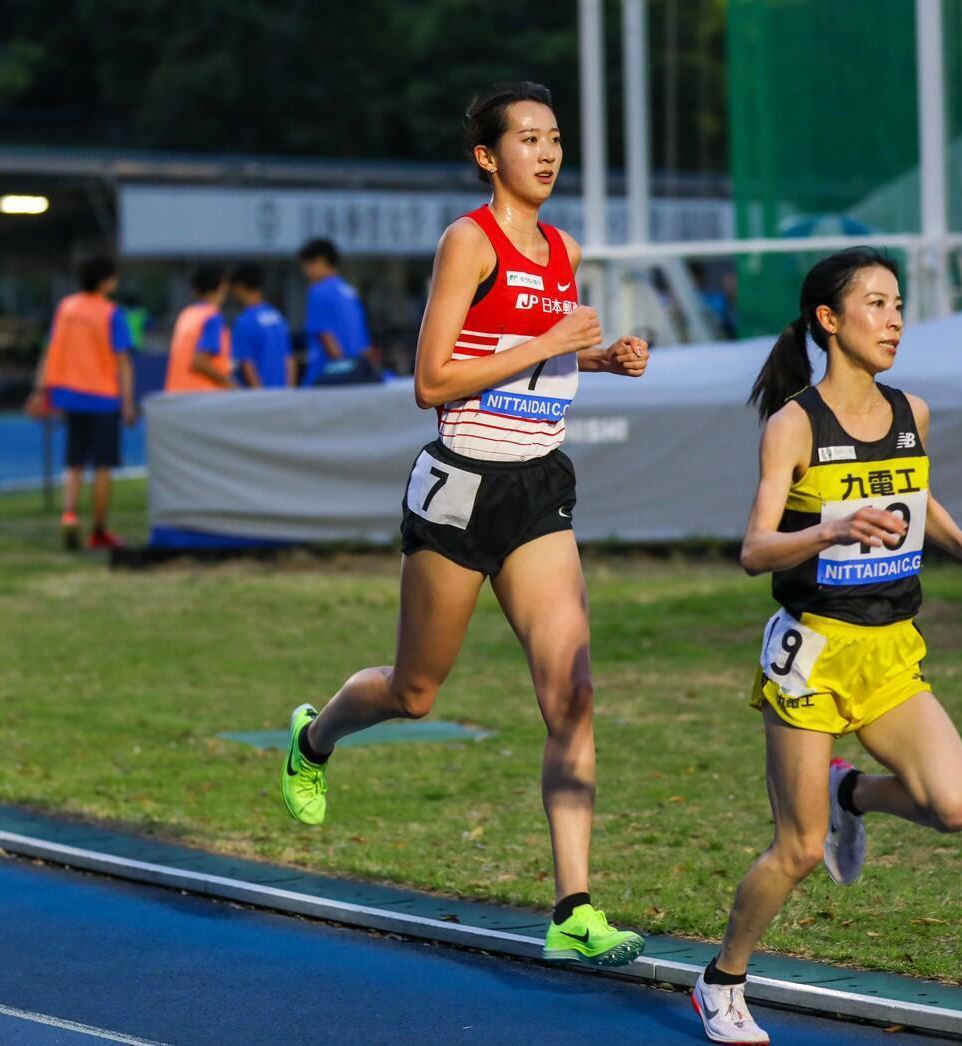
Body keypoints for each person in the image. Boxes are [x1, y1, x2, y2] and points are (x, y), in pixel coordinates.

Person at [280, 81, 651, 968]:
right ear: (489, 156)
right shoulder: (468, 242)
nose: (549, 153)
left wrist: (598, 359)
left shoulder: (561, 246)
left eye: (556, 138)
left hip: (538, 488)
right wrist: (554, 342)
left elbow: (528, 361)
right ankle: (311, 739)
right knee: (416, 693)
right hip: (460, 486)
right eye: (529, 139)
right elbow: (435, 381)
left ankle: (574, 909)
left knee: (573, 696)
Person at [688, 248, 962, 1045]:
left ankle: (852, 796)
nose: (895, 318)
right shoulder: (794, 424)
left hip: (889, 648)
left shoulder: (913, 411)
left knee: (955, 805)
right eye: (876, 303)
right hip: (811, 651)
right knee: (797, 851)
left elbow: (912, 488)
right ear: (829, 321)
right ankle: (721, 979)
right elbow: (755, 549)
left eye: (898, 303)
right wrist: (828, 528)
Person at [28, 255, 137, 551]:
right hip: (103, 397)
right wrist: (128, 403)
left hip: (70, 394)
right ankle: (99, 530)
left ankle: (69, 514)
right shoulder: (111, 314)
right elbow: (123, 362)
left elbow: (50, 351)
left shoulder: (66, 308)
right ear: (106, 281)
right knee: (103, 466)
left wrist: (40, 389)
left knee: (73, 461)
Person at [298, 238, 374, 385]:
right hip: (357, 377)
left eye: (308, 265)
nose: (306, 272)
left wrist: (343, 372)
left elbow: (325, 336)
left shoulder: (318, 292)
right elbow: (364, 345)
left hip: (327, 378)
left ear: (320, 261)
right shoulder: (350, 292)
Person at [165, 266, 234, 394]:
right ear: (222, 286)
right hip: (203, 397)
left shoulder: (186, 315)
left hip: (176, 395)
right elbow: (199, 361)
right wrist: (230, 383)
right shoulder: (212, 317)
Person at [228, 264, 294, 389]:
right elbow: (289, 360)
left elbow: (247, 365)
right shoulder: (277, 317)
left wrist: (260, 396)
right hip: (282, 395)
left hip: (261, 398)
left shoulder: (244, 322)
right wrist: (289, 392)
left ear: (239, 287)